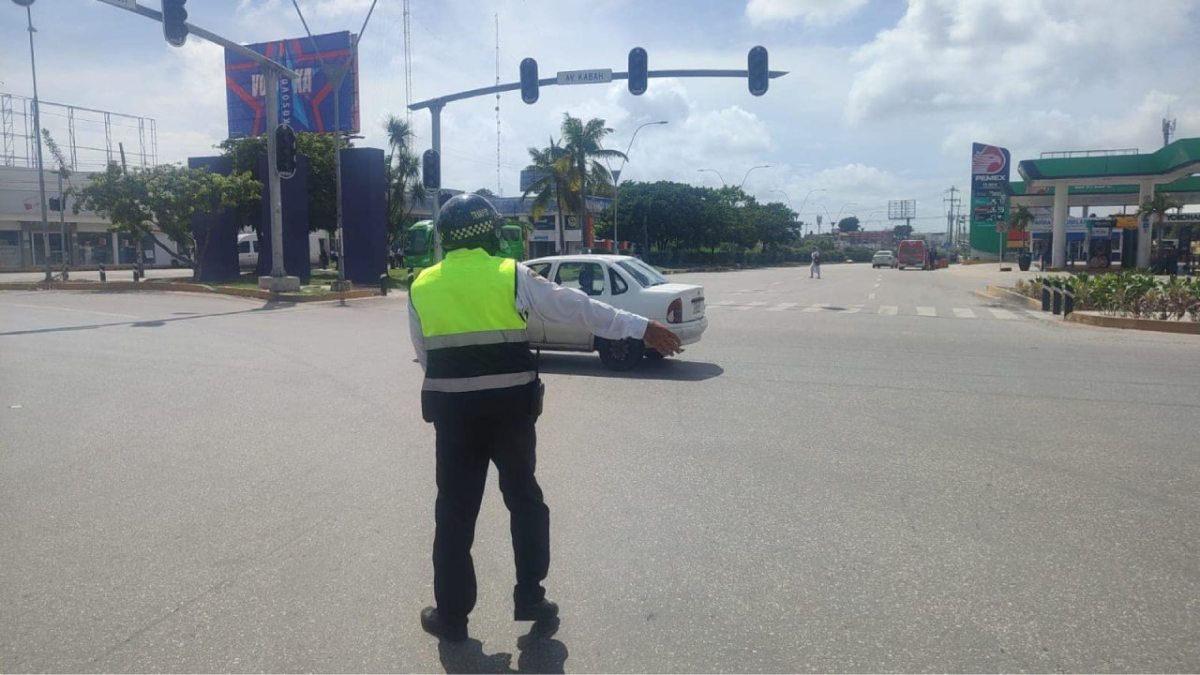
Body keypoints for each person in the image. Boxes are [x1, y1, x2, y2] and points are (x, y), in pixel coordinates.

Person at [409, 194, 682, 643]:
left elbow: (424, 355)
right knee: (525, 501)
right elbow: (576, 307)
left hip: (454, 417)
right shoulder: (511, 274)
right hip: (511, 414)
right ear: (489, 232)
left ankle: (452, 617)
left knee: (454, 514)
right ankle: (530, 597)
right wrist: (640, 327)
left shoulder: (421, 284)